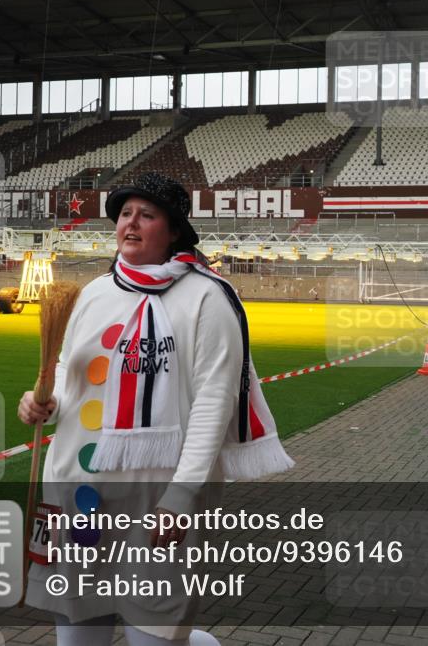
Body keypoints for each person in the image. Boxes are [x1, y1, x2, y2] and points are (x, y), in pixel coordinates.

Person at [18, 173, 294, 645]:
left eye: (146, 215)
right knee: (79, 628)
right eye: (125, 213)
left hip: (157, 499)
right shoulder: (94, 293)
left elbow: (214, 402)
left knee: (156, 630)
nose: (131, 223)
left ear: (173, 231)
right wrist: (47, 400)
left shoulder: (208, 298)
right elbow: (69, 368)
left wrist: (182, 497)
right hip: (79, 488)